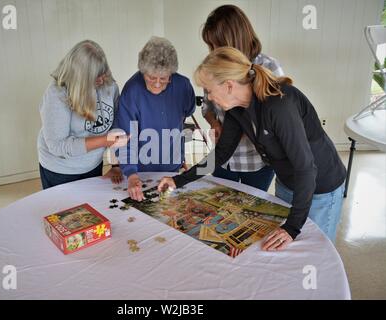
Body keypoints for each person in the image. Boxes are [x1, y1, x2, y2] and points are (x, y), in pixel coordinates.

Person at [158, 47, 346, 248]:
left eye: (210, 90)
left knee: (316, 251)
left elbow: (306, 168)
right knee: (287, 252)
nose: (209, 98)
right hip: (287, 183)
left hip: (320, 186)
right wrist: (178, 180)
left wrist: (292, 227)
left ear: (229, 86)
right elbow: (221, 154)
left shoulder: (280, 105)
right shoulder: (237, 109)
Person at [200, 4, 284, 191]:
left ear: (234, 40)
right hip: (224, 159)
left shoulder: (269, 67)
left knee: (252, 210)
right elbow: (207, 108)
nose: (213, 51)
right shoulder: (213, 68)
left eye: (216, 44)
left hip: (258, 164)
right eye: (210, 45)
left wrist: (245, 129)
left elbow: (279, 123)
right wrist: (214, 124)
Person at [37, 40, 129, 189]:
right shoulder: (57, 94)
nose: (101, 80)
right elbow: (58, 146)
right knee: (63, 211)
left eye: (103, 73)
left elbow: (115, 125)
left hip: (93, 164)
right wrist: (104, 141)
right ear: (78, 76)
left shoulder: (109, 85)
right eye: (95, 76)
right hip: (60, 169)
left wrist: (115, 165)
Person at [116, 37, 196, 201]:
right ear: (142, 72)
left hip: (173, 168)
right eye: (152, 78)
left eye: (164, 78)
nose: (158, 84)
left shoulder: (183, 85)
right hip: (141, 171)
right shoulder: (132, 90)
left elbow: (185, 115)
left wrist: (180, 156)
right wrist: (131, 174)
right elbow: (124, 137)